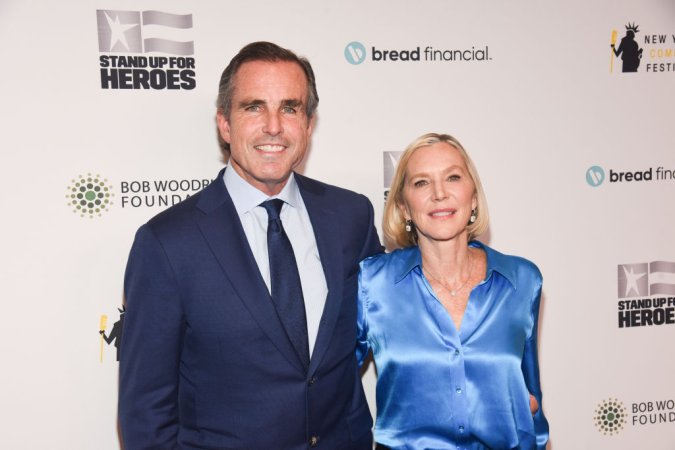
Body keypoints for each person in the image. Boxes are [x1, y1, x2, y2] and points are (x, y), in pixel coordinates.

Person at [119, 41, 382, 450]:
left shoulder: (351, 217)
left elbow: (389, 333)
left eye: (290, 108)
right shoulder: (167, 243)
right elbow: (145, 411)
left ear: (309, 124)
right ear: (224, 123)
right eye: (254, 107)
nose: (274, 126)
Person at [357, 133, 549, 449]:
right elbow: (331, 385)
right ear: (404, 206)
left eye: (453, 177)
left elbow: (532, 401)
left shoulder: (522, 280)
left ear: (473, 197)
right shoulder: (373, 283)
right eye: (421, 183)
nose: (440, 193)